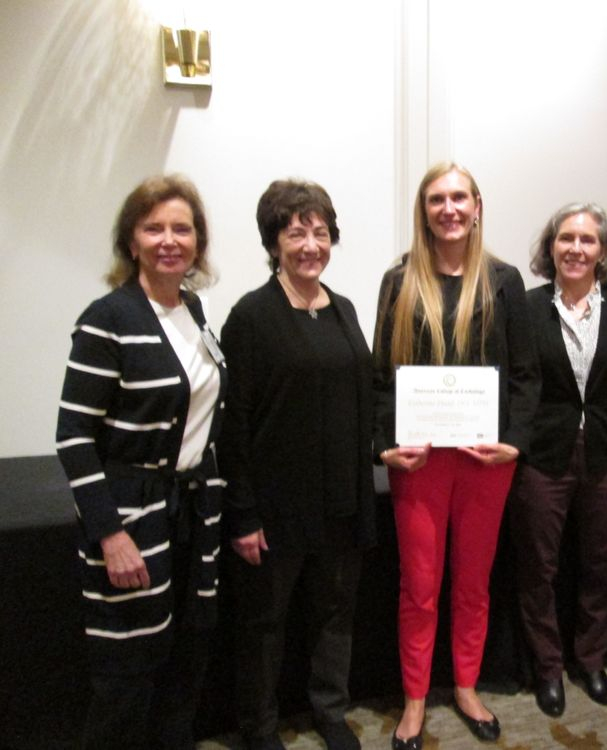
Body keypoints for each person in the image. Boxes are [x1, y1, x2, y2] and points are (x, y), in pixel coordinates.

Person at [55, 175, 227, 750]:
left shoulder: (194, 312)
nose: (169, 240)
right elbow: (74, 436)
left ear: (198, 242)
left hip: (191, 516)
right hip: (132, 519)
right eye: (154, 229)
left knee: (184, 664)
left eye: (182, 228)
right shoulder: (108, 318)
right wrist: (110, 535)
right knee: (126, 677)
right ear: (131, 242)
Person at [373, 162, 539, 748]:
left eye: (459, 198)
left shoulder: (504, 281)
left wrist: (514, 441)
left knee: (473, 584)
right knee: (419, 587)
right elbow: (381, 377)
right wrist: (386, 446)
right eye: (437, 199)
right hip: (419, 464)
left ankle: (466, 686)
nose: (449, 209)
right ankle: (415, 699)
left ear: (477, 206)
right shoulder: (399, 281)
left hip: (485, 462)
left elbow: (525, 375)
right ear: (424, 210)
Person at [219, 180, 376, 750]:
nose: (311, 245)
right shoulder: (251, 316)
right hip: (276, 508)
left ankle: (329, 711)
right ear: (274, 242)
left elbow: (363, 398)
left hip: (341, 501)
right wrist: (243, 513)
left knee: (335, 614)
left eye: (320, 232)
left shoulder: (344, 308)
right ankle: (259, 728)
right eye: (296, 233)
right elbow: (233, 424)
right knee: (265, 626)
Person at [509, 203, 607, 716]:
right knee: (538, 569)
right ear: (551, 247)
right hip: (542, 456)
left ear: (602, 250)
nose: (575, 248)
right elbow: (514, 384)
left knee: (600, 565)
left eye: (587, 240)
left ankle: (590, 661)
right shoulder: (525, 308)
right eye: (565, 238)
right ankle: (548, 668)